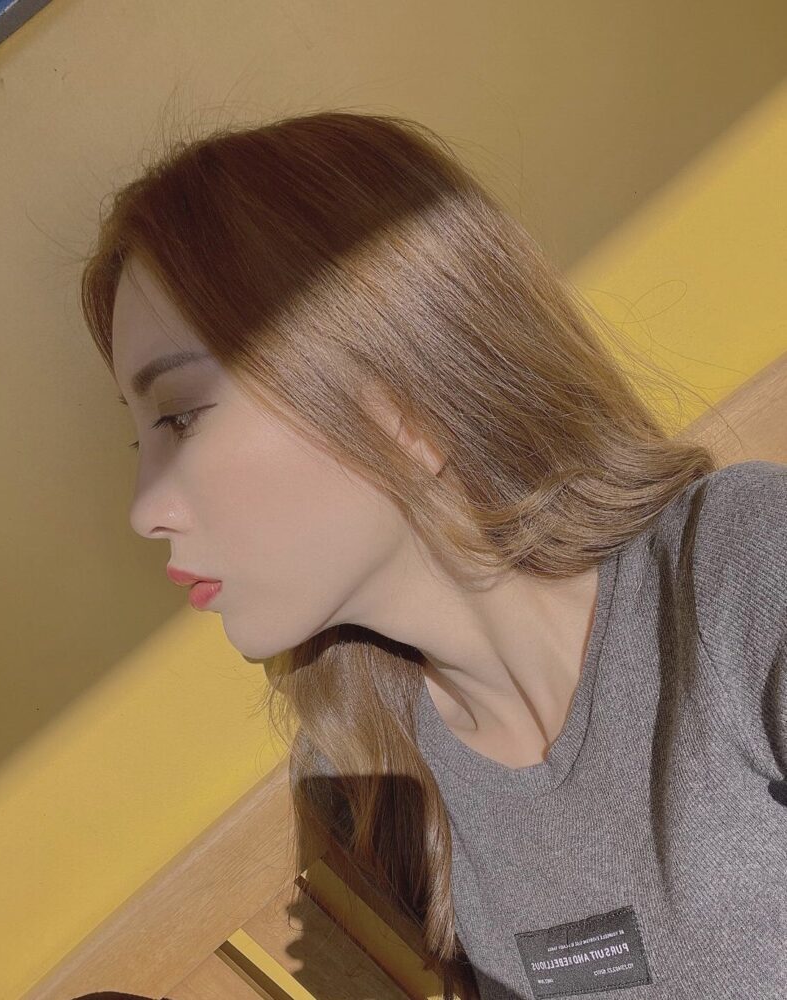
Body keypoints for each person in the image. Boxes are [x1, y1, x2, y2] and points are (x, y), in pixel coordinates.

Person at [82, 110, 786, 1000]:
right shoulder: (376, 780)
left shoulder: (744, 570)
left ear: (402, 404)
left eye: (181, 416)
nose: (146, 510)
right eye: (141, 438)